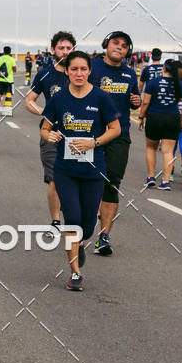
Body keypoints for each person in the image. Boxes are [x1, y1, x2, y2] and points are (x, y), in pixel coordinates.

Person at [41, 51, 120, 291]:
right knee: (72, 219)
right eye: (73, 69)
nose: (78, 73)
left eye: (83, 69)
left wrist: (94, 142)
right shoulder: (59, 98)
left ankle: (80, 242)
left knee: (86, 225)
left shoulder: (101, 97)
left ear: (89, 71)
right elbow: (45, 128)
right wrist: (50, 134)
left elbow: (115, 129)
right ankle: (75, 272)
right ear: (66, 71)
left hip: (93, 170)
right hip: (65, 170)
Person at [89, 31, 141, 256]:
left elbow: (135, 102)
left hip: (119, 134)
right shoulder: (91, 67)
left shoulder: (130, 73)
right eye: (115, 43)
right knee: (88, 182)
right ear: (106, 45)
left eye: (124, 46)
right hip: (88, 133)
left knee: (111, 182)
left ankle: (104, 236)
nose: (119, 48)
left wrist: (137, 101)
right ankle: (81, 229)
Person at [25, 31, 75, 226]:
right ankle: (55, 222)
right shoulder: (45, 73)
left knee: (75, 179)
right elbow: (29, 100)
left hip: (79, 136)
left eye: (68, 48)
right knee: (55, 178)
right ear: (53, 50)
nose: (65, 51)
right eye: (61, 48)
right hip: (51, 134)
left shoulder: (82, 72)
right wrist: (44, 113)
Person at [138, 59, 182, 190]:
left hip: (154, 117)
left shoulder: (153, 82)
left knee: (151, 148)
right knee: (168, 151)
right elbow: (179, 99)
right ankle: (165, 182)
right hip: (173, 118)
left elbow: (146, 102)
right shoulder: (179, 84)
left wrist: (141, 117)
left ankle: (151, 176)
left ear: (163, 68)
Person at [0, 45, 17, 113]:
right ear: (10, 52)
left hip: (1, 80)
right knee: (8, 94)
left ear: (3, 51)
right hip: (9, 80)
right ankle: (7, 110)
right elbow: (14, 69)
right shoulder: (12, 59)